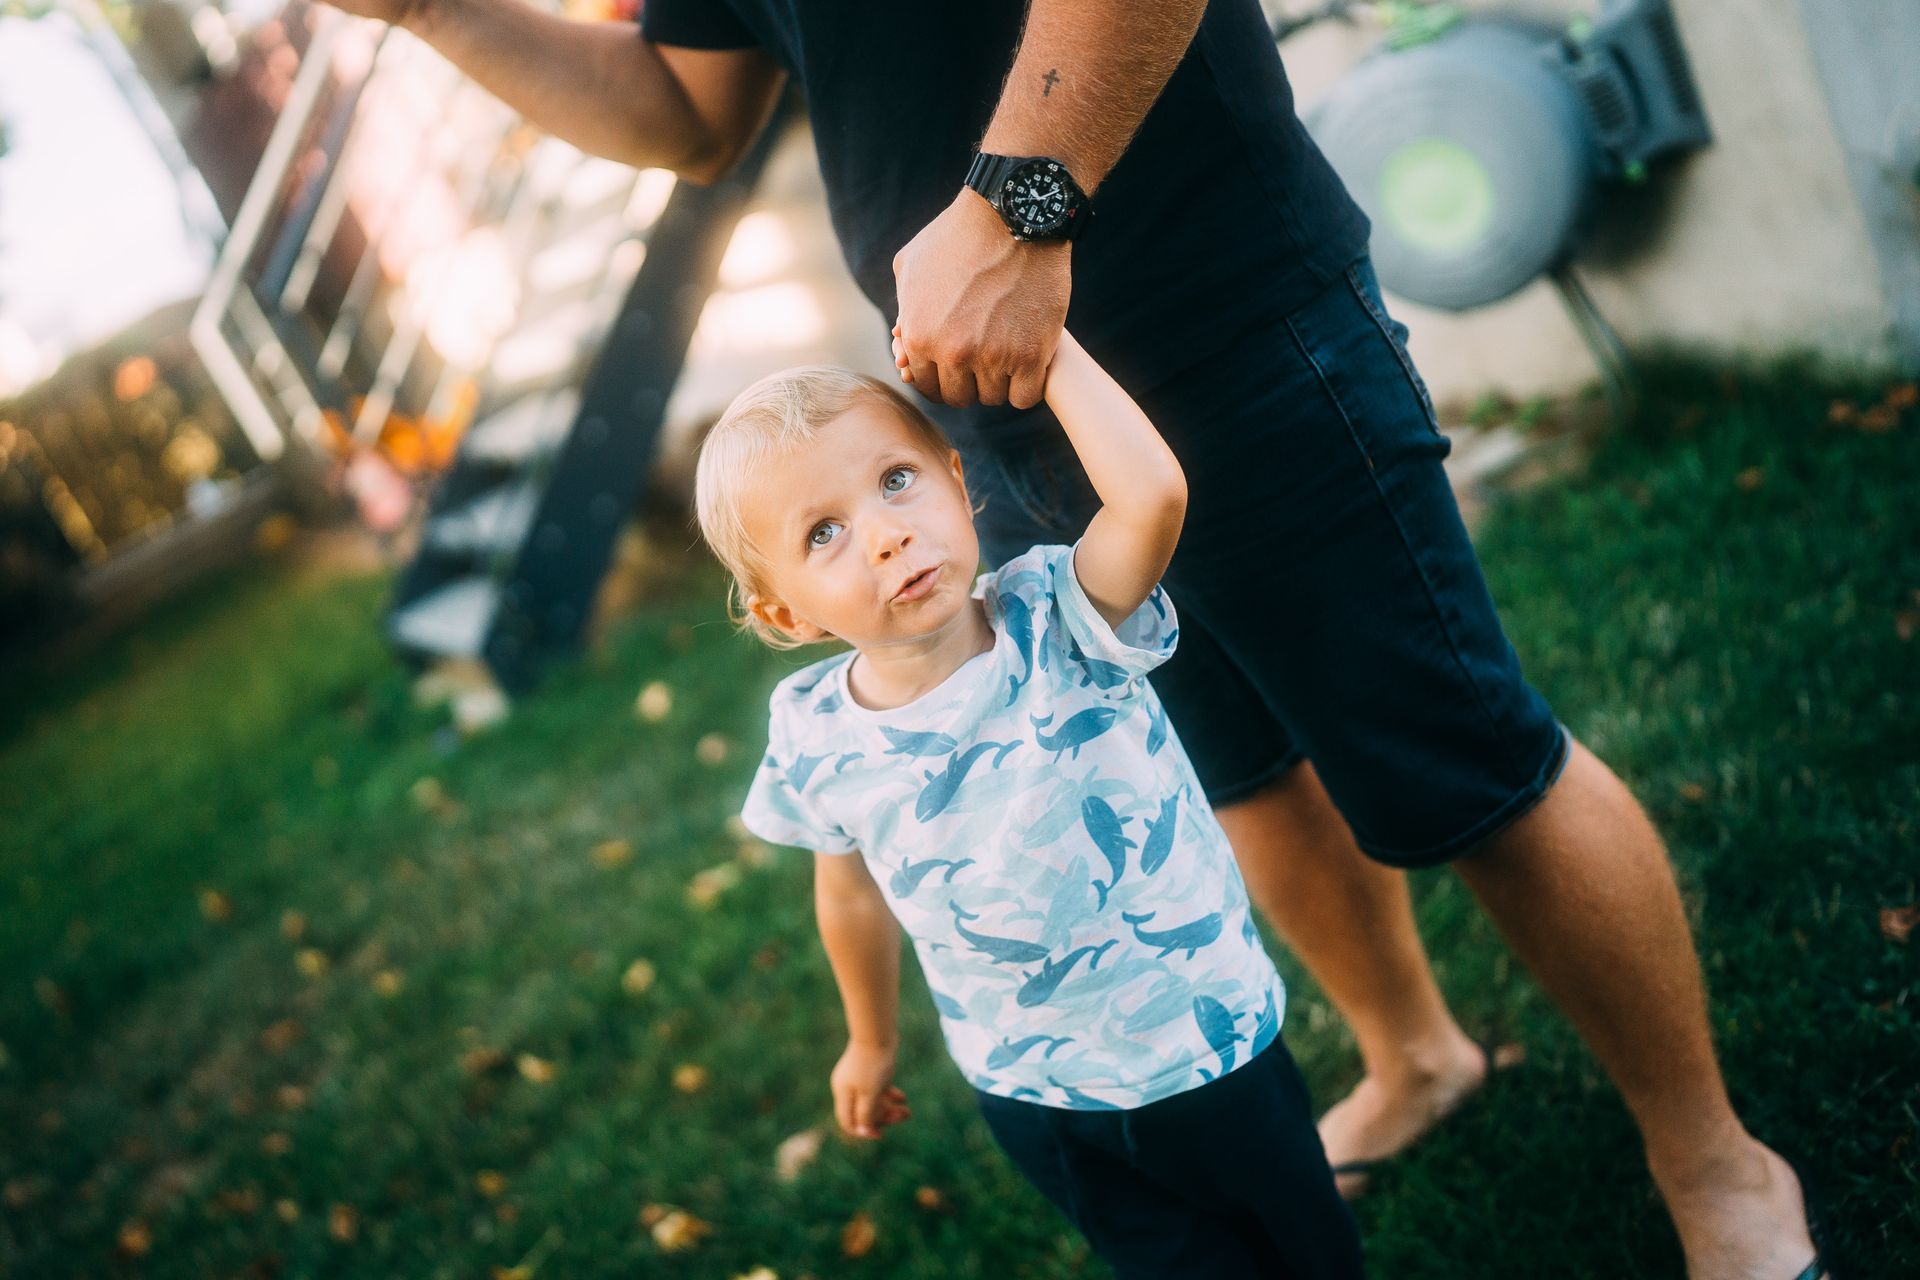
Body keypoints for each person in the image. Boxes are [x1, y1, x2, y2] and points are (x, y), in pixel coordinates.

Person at [317, 1, 1823, 1275]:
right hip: (972, 405)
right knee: (1232, 771)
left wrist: (1021, 209)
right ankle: (1416, 1053)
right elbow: (691, 111)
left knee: (1466, 760)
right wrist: (435, 12)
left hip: (1224, 301)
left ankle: (1719, 1167)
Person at [693, 323, 1365, 1278]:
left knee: (1306, 1258)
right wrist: (870, 1039)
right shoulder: (814, 734)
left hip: (1199, 1041)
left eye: (896, 481)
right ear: (786, 615)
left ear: (959, 484)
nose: (886, 534)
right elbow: (848, 895)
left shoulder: (1060, 617)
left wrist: (1044, 343)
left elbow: (1152, 496)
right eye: (823, 533)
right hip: (1031, 1086)